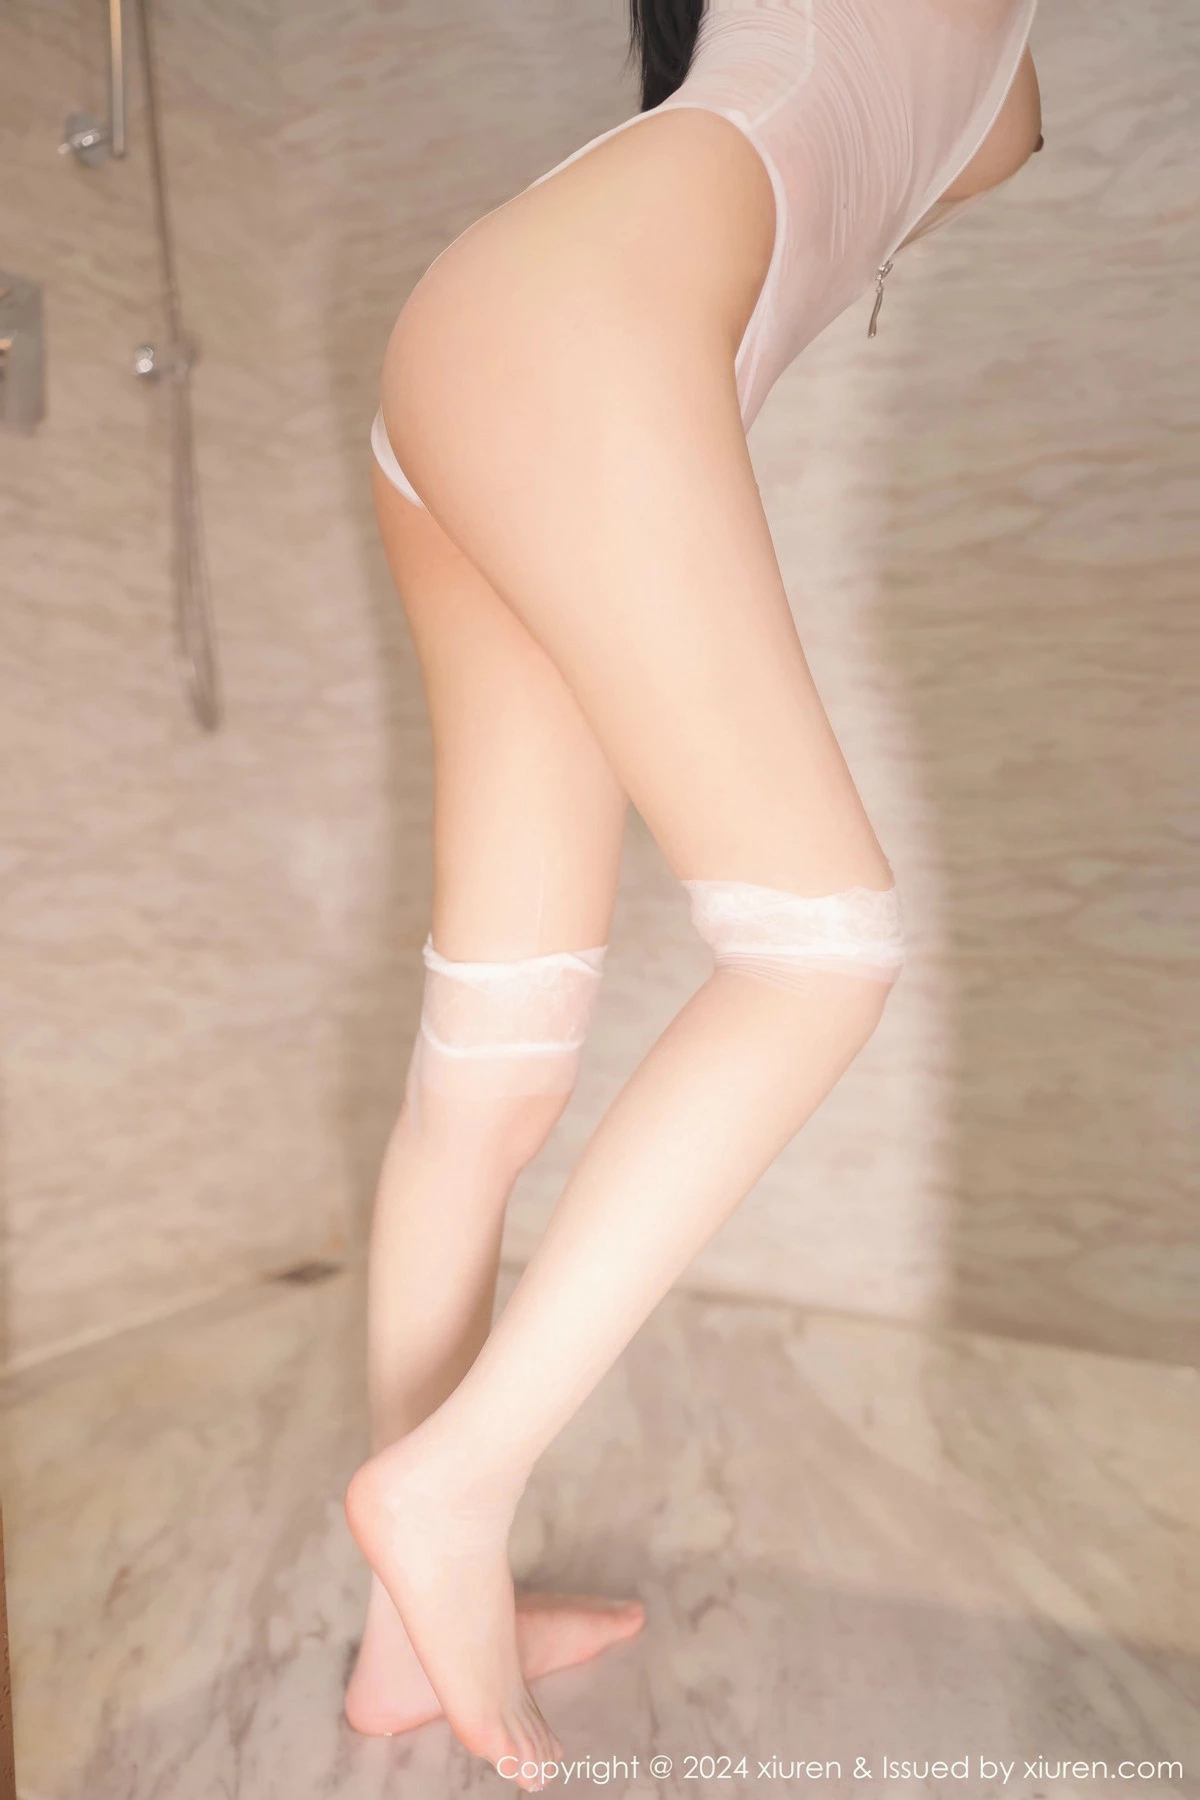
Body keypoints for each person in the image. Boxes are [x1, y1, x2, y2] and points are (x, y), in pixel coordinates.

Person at [343, 0, 1044, 1788]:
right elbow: (1001, 126)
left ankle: (403, 1643)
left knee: (491, 1052)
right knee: (819, 951)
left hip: (492, 329)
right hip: (582, 329)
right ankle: (452, 1481)